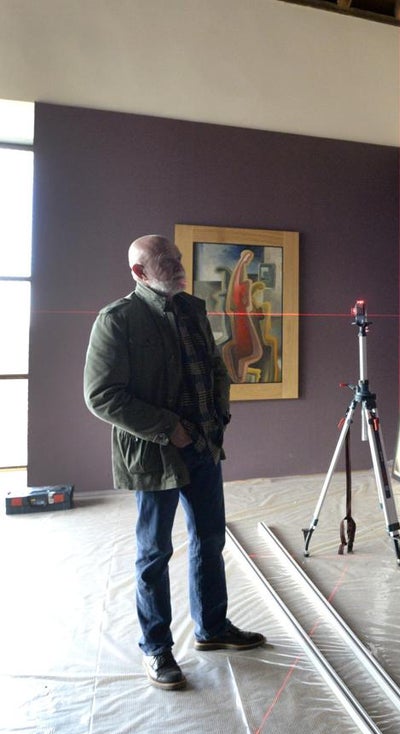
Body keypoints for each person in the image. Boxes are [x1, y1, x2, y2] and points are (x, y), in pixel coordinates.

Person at [84, 234, 265, 690]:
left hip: (204, 446)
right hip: (155, 454)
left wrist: (219, 413)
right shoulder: (118, 319)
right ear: (139, 272)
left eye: (177, 258)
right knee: (154, 552)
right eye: (164, 261)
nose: (176, 265)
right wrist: (168, 427)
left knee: (210, 539)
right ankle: (157, 649)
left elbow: (215, 366)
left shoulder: (192, 309)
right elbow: (102, 396)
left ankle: (212, 628)